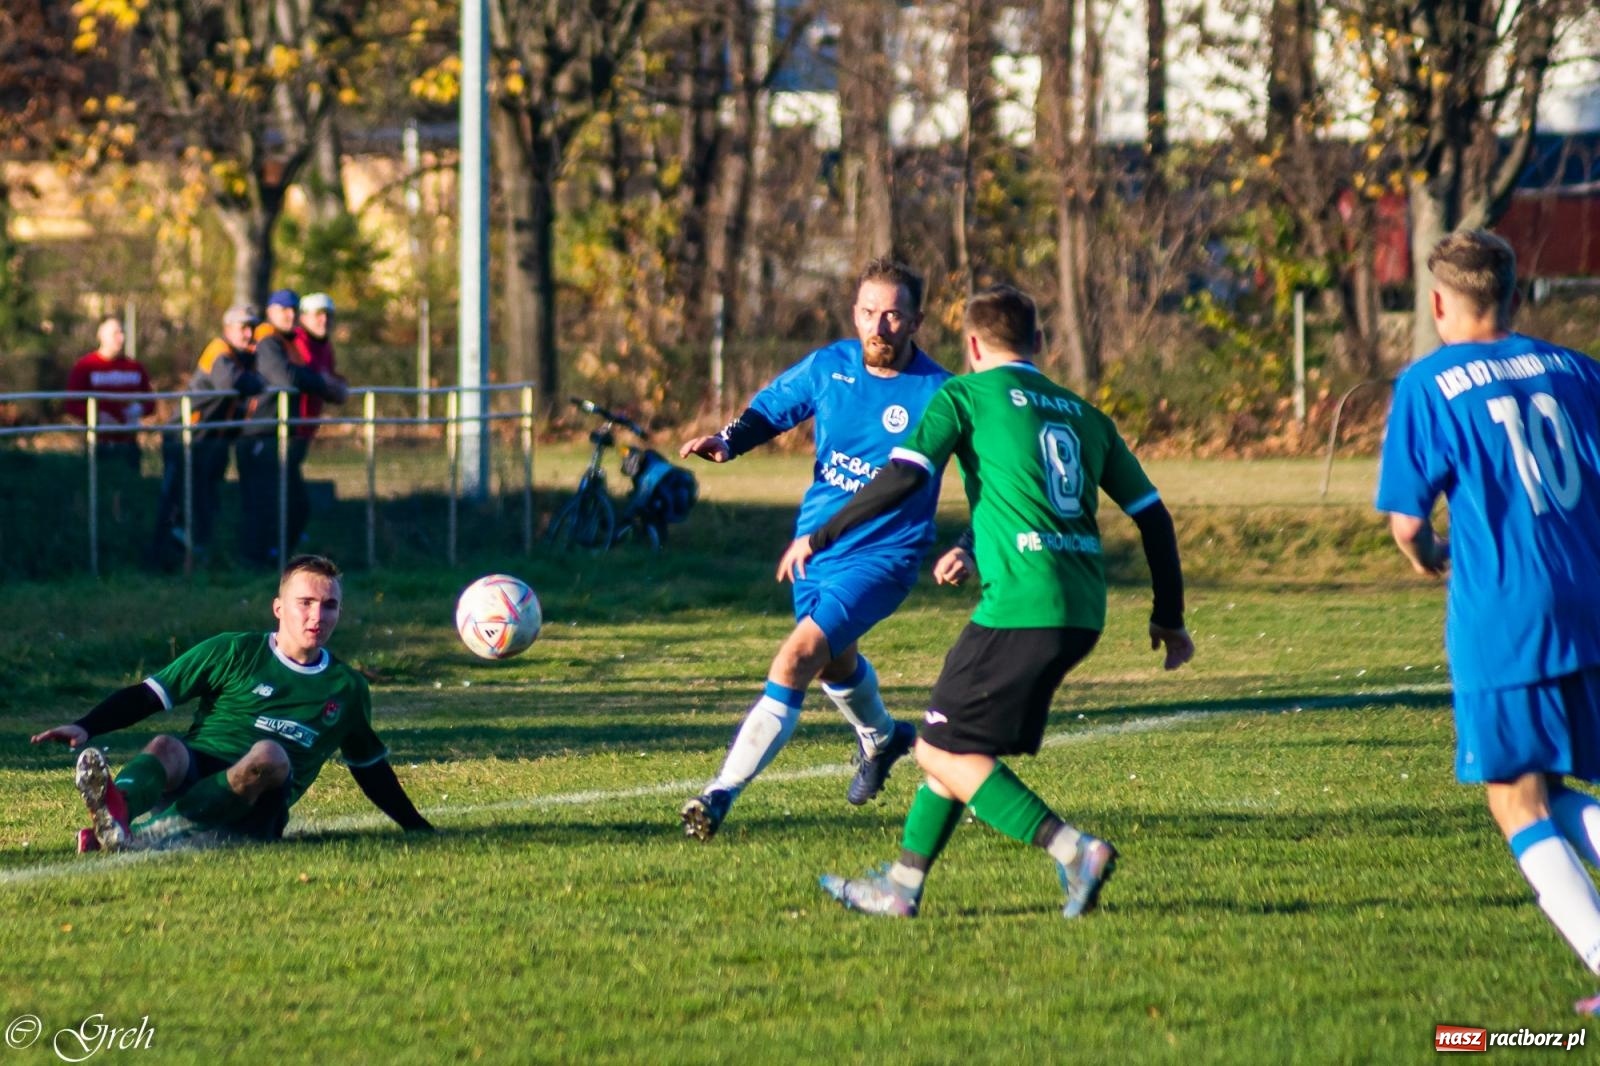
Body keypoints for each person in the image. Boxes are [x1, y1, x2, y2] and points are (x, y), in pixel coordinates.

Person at [791, 283, 1193, 918]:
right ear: (1038, 343)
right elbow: (1154, 517)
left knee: (935, 748)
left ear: (971, 345)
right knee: (952, 744)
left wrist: (822, 533)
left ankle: (1073, 849)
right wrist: (1168, 617)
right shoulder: (1084, 413)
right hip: (1082, 611)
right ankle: (902, 885)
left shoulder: (964, 394)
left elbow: (904, 476)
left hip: (1019, 606)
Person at [1374, 230, 1600, 1014]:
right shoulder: (1577, 370)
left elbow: (1407, 521)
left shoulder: (1428, 383)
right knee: (1556, 779)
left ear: (1438, 303)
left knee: (1514, 796)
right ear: (1515, 295)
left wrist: (1429, 553)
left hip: (1507, 608)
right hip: (1588, 598)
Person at [676, 257, 972, 841]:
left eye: (892, 315)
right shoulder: (830, 366)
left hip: (886, 555)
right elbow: (773, 407)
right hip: (814, 547)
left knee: (797, 657)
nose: (877, 327)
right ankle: (883, 740)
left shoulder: (942, 394)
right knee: (834, 660)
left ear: (916, 320)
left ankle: (717, 795)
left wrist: (967, 545)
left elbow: (992, 479)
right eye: (867, 312)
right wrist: (727, 443)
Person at [31, 554, 433, 851]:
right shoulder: (233, 652)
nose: (318, 615)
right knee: (167, 746)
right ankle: (116, 815)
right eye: (305, 602)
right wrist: (87, 726)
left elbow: (370, 768)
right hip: (197, 777)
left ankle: (153, 833)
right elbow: (149, 695)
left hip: (256, 811)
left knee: (270, 754)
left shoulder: (345, 688)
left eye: (330, 606)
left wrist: (416, 827)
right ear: (278, 608)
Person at [147, 305, 264, 569]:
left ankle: (195, 558)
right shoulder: (219, 352)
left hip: (211, 442)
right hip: (186, 439)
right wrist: (252, 381)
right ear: (227, 329)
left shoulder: (241, 357)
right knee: (176, 499)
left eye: (252, 328)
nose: (248, 334)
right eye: (242, 328)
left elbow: (258, 382)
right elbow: (233, 384)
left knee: (204, 500)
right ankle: (158, 557)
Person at [237, 290, 348, 567]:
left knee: (294, 505)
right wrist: (322, 382)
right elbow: (284, 377)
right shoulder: (267, 339)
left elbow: (304, 375)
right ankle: (254, 561)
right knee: (265, 503)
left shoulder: (284, 342)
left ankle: (274, 558)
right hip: (261, 434)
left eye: (292, 310)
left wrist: (325, 383)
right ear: (271, 312)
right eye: (282, 309)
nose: (289, 315)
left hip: (282, 434)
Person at [65, 315, 153, 474]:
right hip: (99, 443)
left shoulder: (134, 367)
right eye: (115, 333)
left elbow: (150, 402)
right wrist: (97, 416)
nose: (121, 338)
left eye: (122, 333)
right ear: (101, 335)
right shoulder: (86, 366)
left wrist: (137, 410)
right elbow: (72, 404)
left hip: (128, 443)